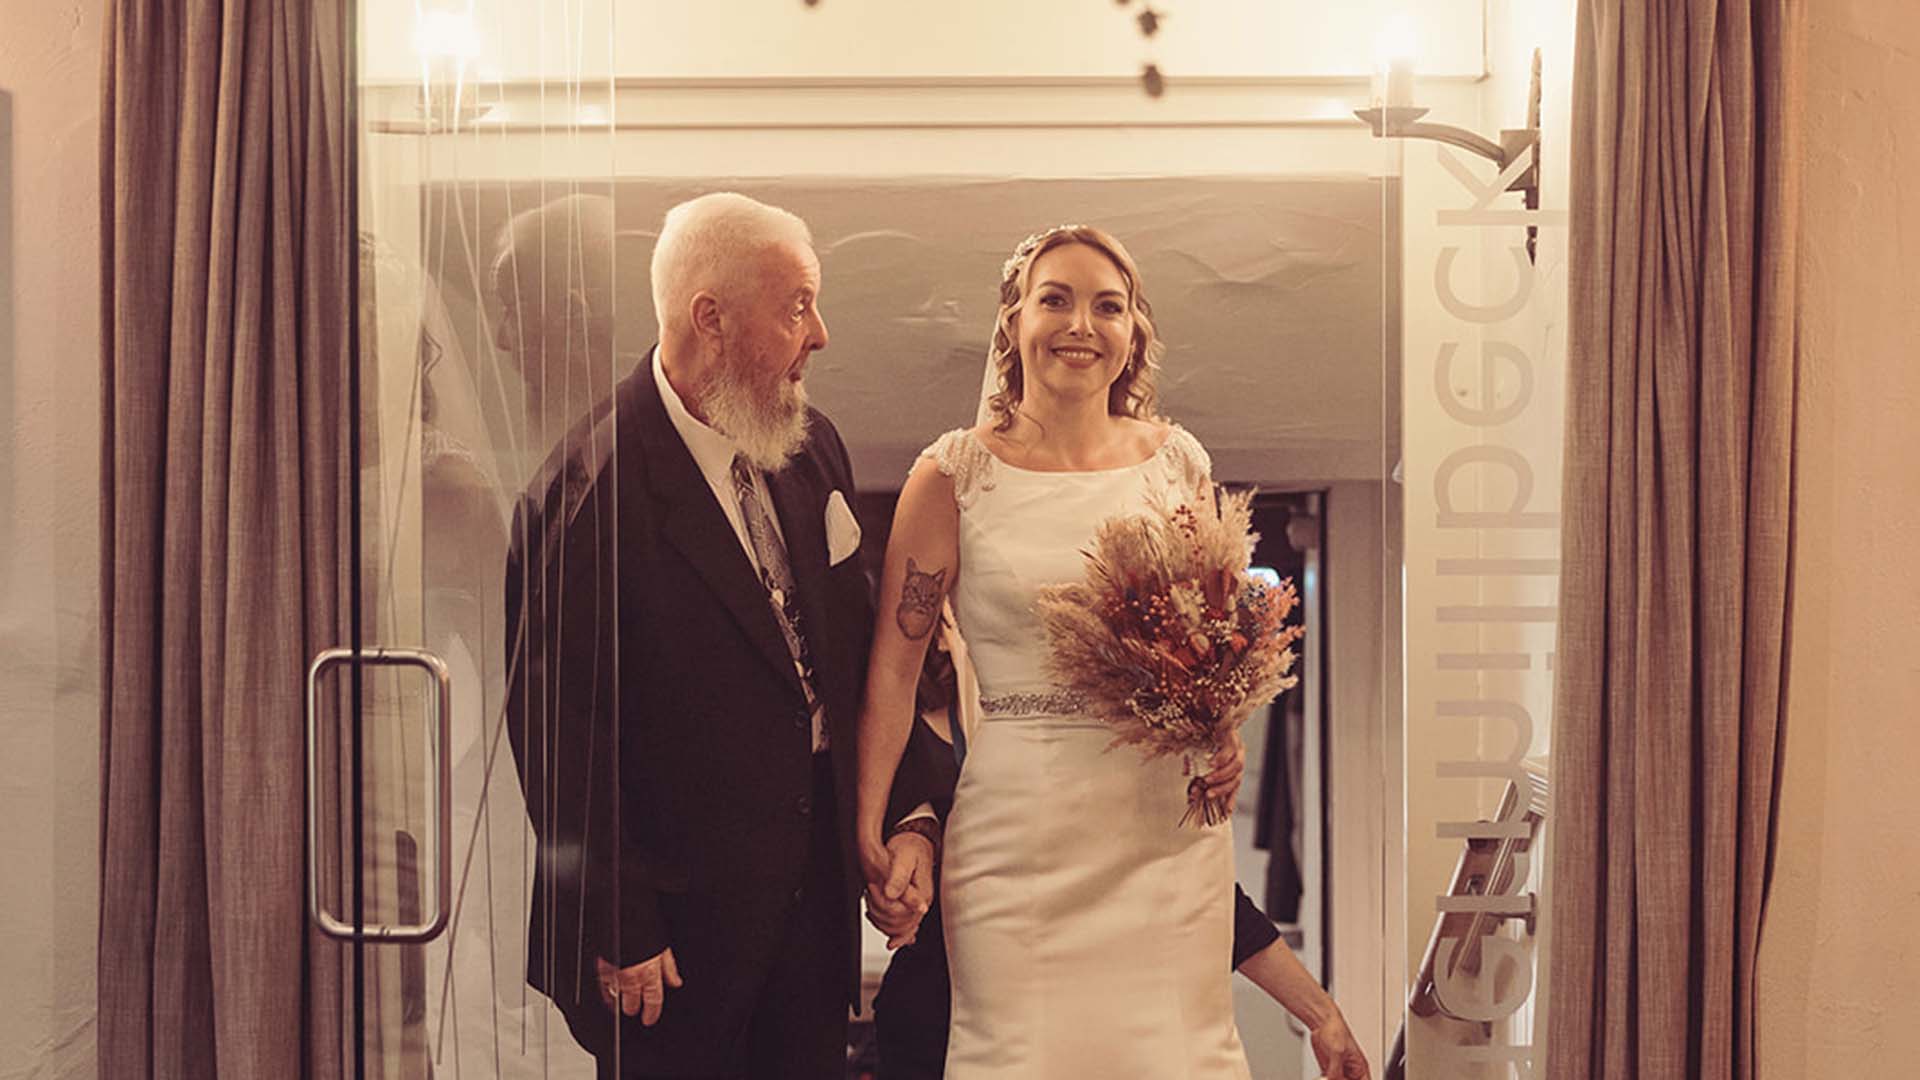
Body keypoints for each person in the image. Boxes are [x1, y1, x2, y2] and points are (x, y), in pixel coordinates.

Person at [854, 225, 1370, 1078]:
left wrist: (1223, 733)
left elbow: (1207, 642)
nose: (1080, 324)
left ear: (1134, 334)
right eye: (1055, 299)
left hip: (1161, 831)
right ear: (1014, 322)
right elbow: (893, 669)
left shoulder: (1177, 464)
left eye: (1108, 306)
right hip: (1018, 826)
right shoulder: (951, 478)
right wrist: (871, 830)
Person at [504, 192, 937, 1079]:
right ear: (711, 318)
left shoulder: (810, 446)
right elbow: (558, 737)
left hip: (810, 919)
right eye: (797, 305)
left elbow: (854, 660)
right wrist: (619, 922)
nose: (821, 334)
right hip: (672, 943)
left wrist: (906, 817)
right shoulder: (588, 496)